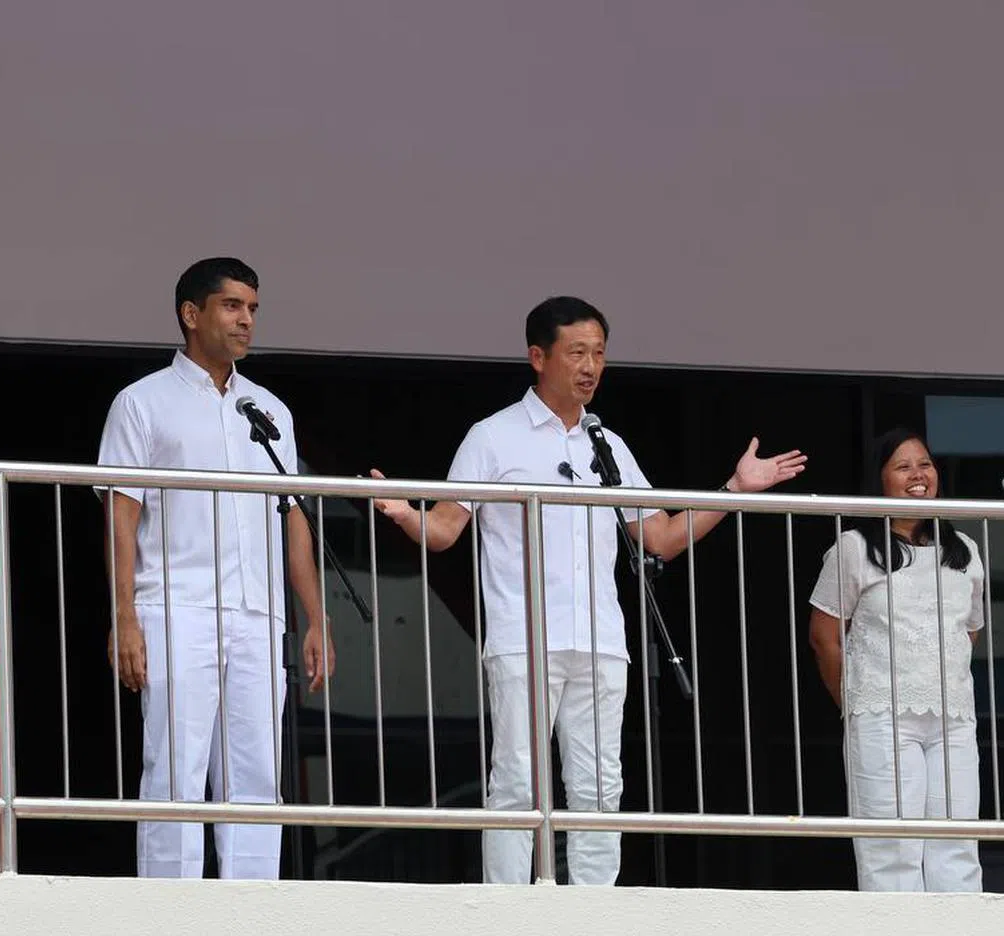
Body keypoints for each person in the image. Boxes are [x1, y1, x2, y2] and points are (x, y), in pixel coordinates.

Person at [372, 296, 806, 884]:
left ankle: (591, 912)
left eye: (599, 353)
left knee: (600, 784)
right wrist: (405, 516)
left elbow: (662, 536)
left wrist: (734, 488)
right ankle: (507, 905)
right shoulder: (493, 436)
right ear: (537, 356)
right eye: (577, 352)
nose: (591, 366)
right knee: (519, 780)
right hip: (524, 636)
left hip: (602, 641)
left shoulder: (607, 445)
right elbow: (448, 527)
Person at [97, 257, 335, 879]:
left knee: (258, 775)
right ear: (191, 314)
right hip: (175, 607)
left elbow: (293, 514)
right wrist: (123, 616)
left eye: (253, 309)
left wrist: (314, 616)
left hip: (259, 612)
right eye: (232, 306)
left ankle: (250, 920)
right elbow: (120, 517)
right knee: (174, 769)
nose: (246, 320)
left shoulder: (269, 411)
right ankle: (167, 916)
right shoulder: (142, 402)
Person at [809, 428, 983, 892]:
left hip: (953, 716)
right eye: (903, 467)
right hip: (881, 715)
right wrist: (855, 697)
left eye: (925, 464)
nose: (918, 475)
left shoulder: (965, 550)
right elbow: (825, 638)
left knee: (958, 843)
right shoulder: (853, 548)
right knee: (892, 848)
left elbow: (970, 629)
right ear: (880, 480)